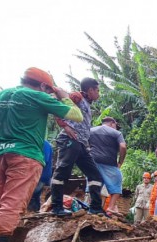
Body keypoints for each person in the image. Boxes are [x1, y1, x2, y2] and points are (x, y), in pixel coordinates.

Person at [0, 67, 82, 242]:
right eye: (49, 89)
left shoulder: (2, 95)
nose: (49, 93)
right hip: (25, 156)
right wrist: (64, 96)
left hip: (1, 155)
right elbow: (76, 115)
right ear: (43, 85)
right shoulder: (38, 96)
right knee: (12, 206)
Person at [50, 77, 106, 217]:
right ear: (90, 90)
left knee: (95, 176)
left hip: (81, 144)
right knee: (62, 172)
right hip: (69, 140)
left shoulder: (86, 103)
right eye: (97, 90)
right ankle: (56, 207)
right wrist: (64, 125)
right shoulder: (77, 96)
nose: (98, 93)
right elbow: (58, 107)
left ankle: (95, 208)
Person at [88, 116, 126, 214]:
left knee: (93, 184)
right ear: (112, 123)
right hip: (109, 163)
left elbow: (84, 143)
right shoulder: (116, 133)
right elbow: (123, 146)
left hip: (93, 161)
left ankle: (90, 207)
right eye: (116, 126)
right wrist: (120, 162)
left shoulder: (91, 130)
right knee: (117, 185)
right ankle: (110, 207)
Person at [27, 140, 53, 212]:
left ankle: (30, 214)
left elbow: (44, 160)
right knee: (35, 196)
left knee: (31, 195)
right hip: (42, 175)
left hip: (40, 175)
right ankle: (34, 214)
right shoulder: (45, 143)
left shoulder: (43, 144)